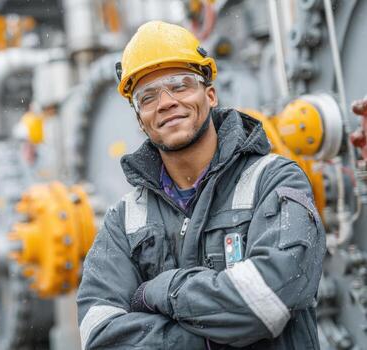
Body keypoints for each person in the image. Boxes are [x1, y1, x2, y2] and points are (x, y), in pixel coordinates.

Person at [77, 20, 326, 349]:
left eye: (180, 86)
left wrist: (162, 291)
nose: (166, 102)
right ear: (140, 119)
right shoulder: (124, 220)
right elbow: (99, 335)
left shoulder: (275, 180)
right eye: (147, 97)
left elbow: (266, 303)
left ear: (210, 94)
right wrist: (214, 337)